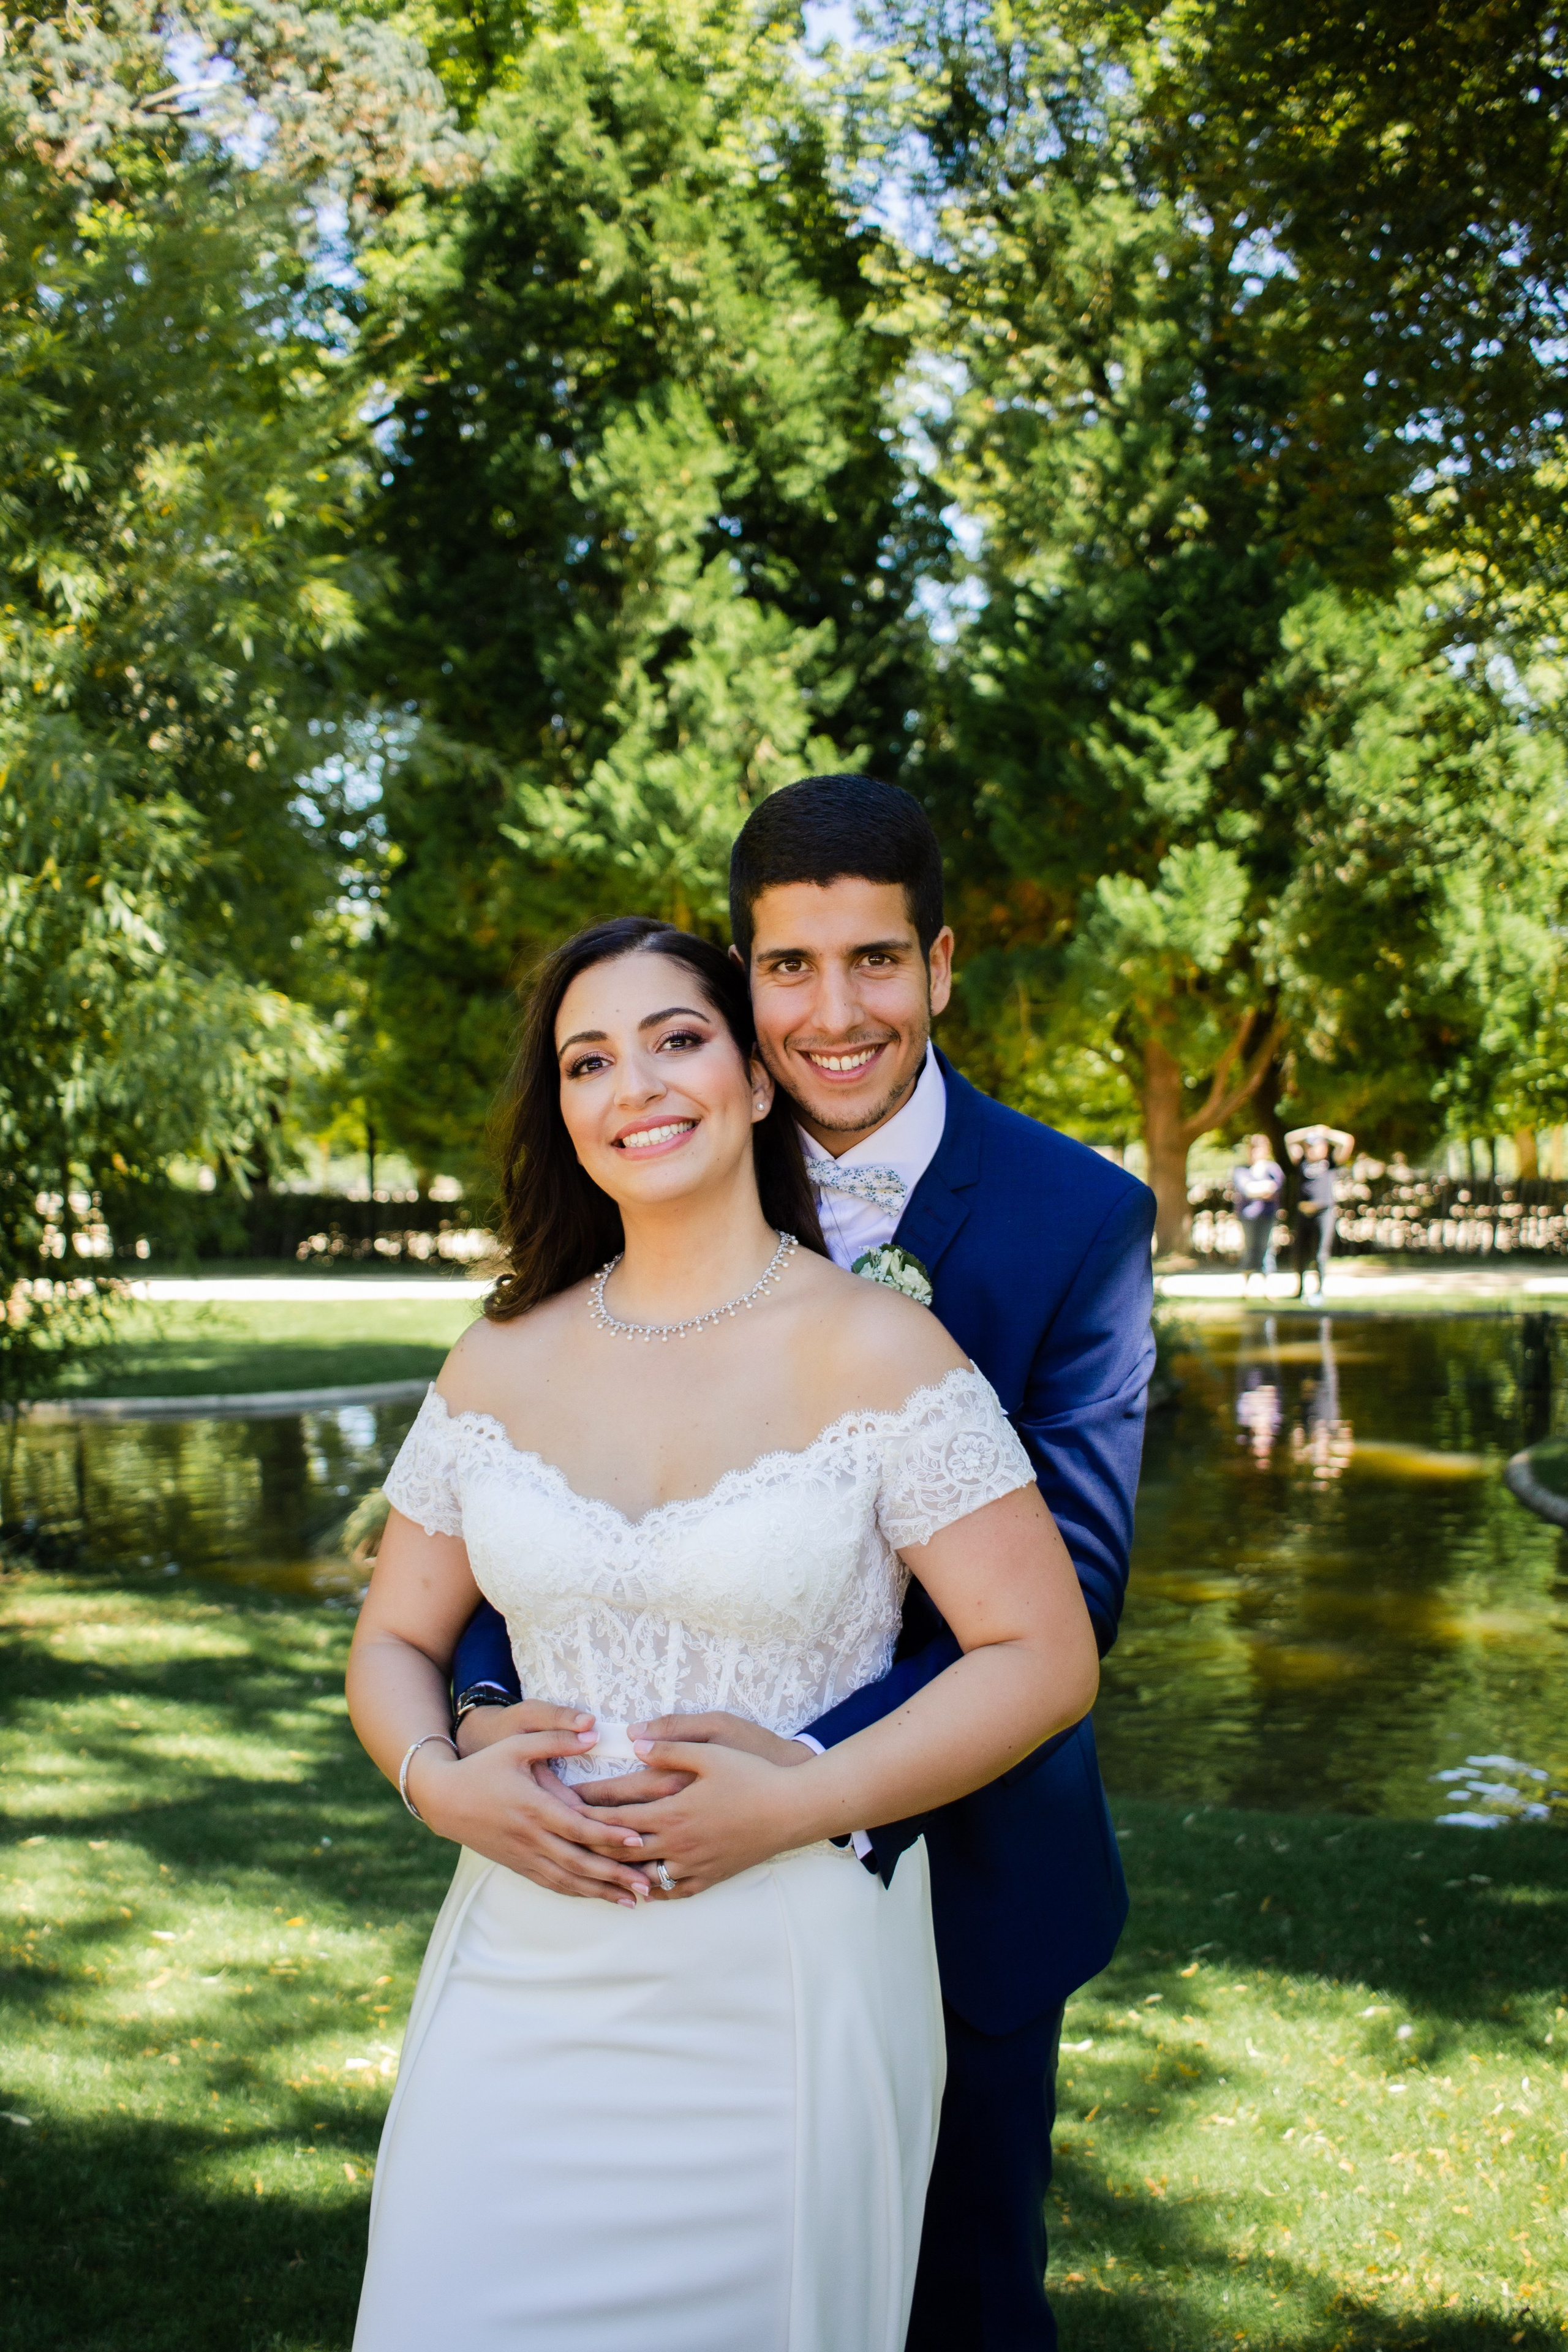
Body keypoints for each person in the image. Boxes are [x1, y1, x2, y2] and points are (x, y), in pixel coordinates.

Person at [450, 774, 1157, 2348]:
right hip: (618, 1880)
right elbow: (545, 1480)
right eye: (787, 967)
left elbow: (1074, 1591)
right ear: (741, 981)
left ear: (941, 967)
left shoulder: (1077, 1218)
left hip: (959, 1870)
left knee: (957, 2300)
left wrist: (780, 1775)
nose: (834, 1013)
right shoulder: (661, 1154)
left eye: (876, 961)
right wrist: (505, 1693)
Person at [1285, 1121, 1355, 1299]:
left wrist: (1326, 1132)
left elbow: (1347, 1141)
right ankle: (1300, 1290)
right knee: (1300, 1252)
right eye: (1309, 1145)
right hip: (1303, 1214)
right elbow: (1289, 1139)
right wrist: (1309, 1131)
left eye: (1316, 1145)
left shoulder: (1330, 1163)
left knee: (1320, 1253)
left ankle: (1319, 1291)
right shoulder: (1301, 1162)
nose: (1312, 1149)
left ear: (1324, 1147)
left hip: (1323, 1212)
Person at [1231, 1133, 1284, 1294]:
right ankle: (1246, 1288)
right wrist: (1262, 1188)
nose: (1255, 1152)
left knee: (1266, 1248)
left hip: (1267, 1214)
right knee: (1249, 1248)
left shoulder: (1273, 1169)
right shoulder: (1241, 1170)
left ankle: (1267, 1288)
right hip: (1247, 1216)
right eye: (1253, 1149)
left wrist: (1255, 1189)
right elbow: (1247, 1190)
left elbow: (1275, 1188)